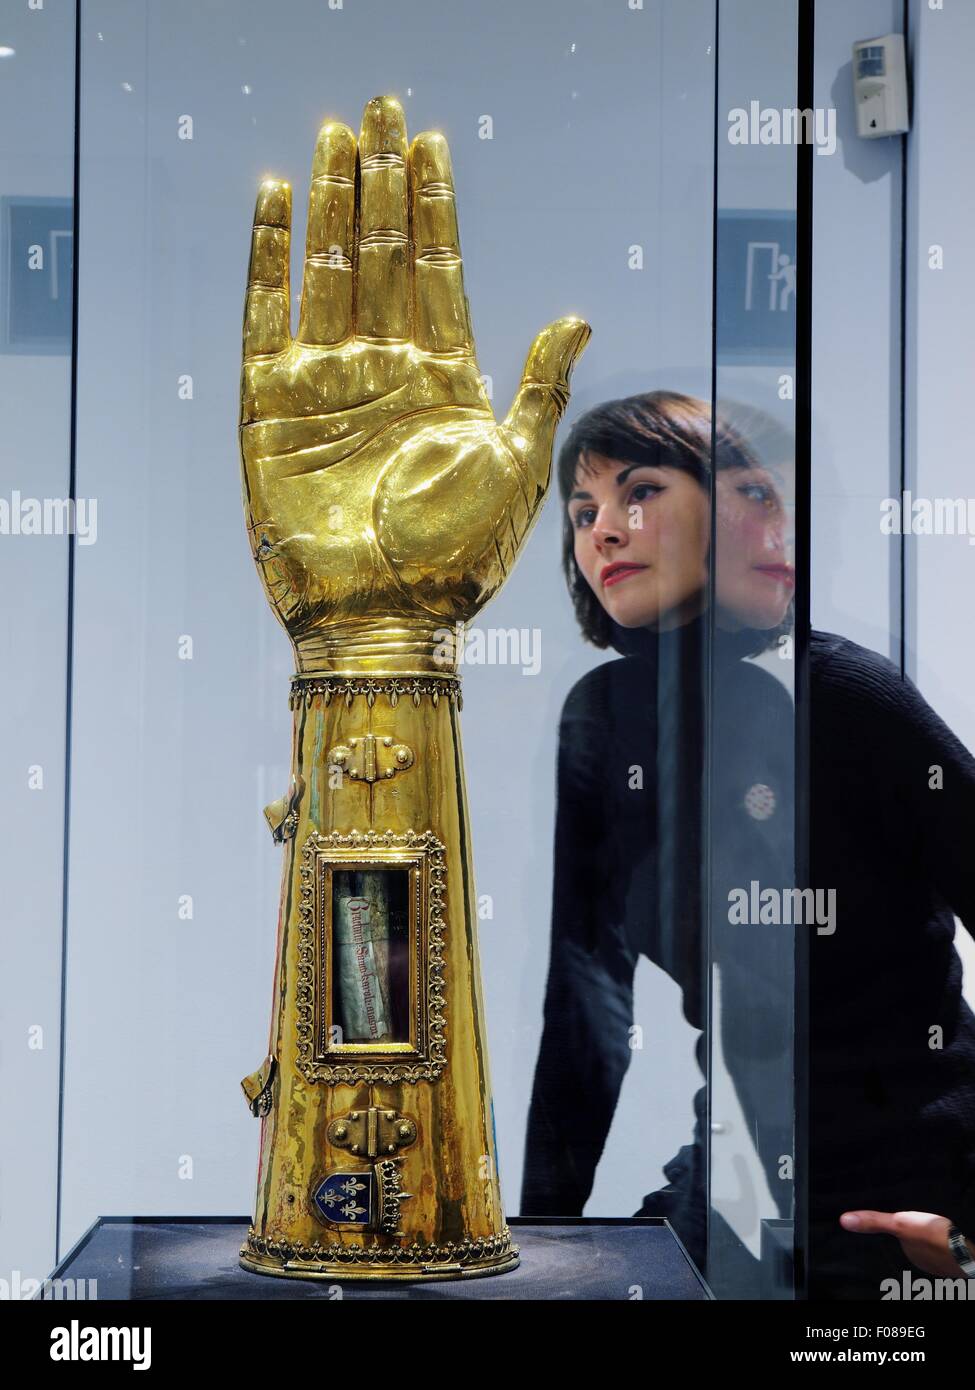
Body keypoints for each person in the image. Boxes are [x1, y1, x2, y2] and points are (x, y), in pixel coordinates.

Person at [521, 389, 975, 1300]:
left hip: (906, 1190)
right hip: (730, 1177)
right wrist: (533, 1243)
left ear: (742, 507)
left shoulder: (845, 694)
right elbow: (585, 1006)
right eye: (582, 511)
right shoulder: (600, 720)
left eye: (639, 491)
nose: (603, 530)